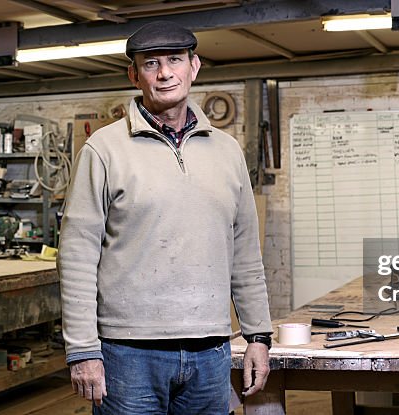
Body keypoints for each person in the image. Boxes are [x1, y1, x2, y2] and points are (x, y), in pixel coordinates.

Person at [58, 20, 274, 414]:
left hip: (211, 351)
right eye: (150, 63)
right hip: (127, 354)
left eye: (174, 60)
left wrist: (258, 335)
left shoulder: (227, 152)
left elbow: (245, 251)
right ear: (134, 75)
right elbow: (76, 256)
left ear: (194, 66)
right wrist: (82, 350)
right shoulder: (103, 149)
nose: (164, 73)